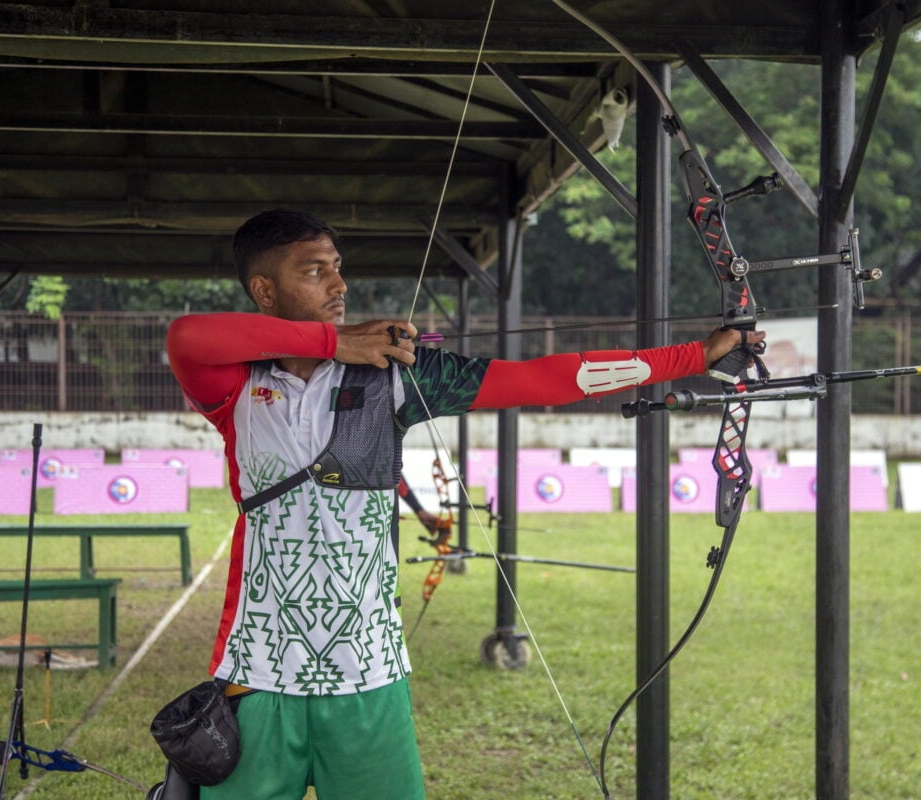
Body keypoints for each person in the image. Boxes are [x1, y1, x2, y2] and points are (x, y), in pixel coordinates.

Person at [165, 207, 765, 800]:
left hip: (367, 667)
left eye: (338, 267)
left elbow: (547, 378)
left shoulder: (395, 373)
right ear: (264, 290)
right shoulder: (237, 383)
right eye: (314, 270)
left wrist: (693, 356)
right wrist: (334, 342)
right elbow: (186, 336)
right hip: (255, 669)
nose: (339, 284)